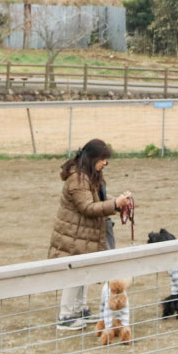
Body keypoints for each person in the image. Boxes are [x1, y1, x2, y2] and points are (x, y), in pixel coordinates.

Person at [48, 139, 132, 330]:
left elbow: (97, 198)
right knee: (75, 273)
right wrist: (114, 204)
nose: (105, 163)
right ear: (93, 158)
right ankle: (65, 315)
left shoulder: (87, 175)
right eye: (103, 159)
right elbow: (87, 207)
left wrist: (118, 202)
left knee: (83, 271)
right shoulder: (78, 179)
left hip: (83, 234)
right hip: (74, 235)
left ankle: (79, 309)